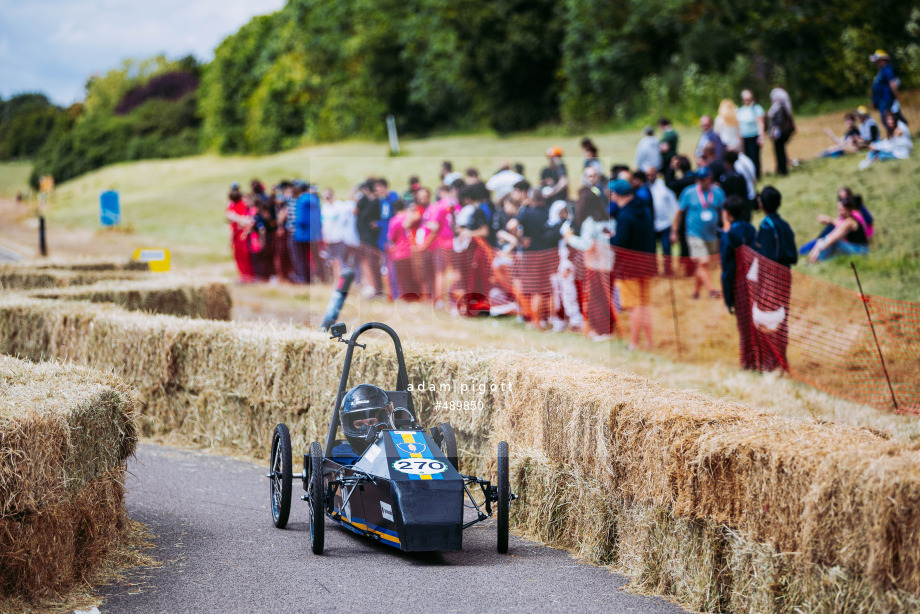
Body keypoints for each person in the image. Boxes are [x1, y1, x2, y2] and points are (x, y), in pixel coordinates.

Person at [749, 186, 797, 372]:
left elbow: (765, 258)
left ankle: (772, 363)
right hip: (786, 274)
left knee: (768, 319)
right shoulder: (784, 224)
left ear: (761, 204)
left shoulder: (766, 225)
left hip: (771, 277)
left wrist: (760, 284)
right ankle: (782, 361)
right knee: (782, 316)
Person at [563, 182, 615, 341]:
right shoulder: (608, 219)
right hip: (609, 264)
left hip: (596, 265)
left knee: (597, 298)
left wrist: (570, 238)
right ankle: (607, 329)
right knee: (606, 297)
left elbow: (586, 244)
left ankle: (602, 331)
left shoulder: (589, 222)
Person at [610, 179, 656, 351]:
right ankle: (649, 342)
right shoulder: (644, 209)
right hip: (647, 263)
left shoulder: (624, 216)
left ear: (617, 195)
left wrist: (611, 238)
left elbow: (620, 243)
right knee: (644, 304)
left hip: (629, 267)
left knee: (633, 305)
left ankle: (634, 343)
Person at [671, 167, 725, 299]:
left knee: (702, 265)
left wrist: (726, 224)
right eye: (698, 179)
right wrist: (674, 231)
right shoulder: (688, 192)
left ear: (710, 179)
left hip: (711, 234)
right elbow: (679, 213)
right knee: (703, 261)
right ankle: (712, 291)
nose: (700, 181)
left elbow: (723, 210)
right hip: (694, 233)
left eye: (703, 178)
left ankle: (695, 292)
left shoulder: (717, 192)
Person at [333, 384, 394, 462]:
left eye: (372, 423)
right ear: (350, 426)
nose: (368, 430)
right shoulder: (343, 453)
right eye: (359, 425)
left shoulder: (397, 442)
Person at [719, 195, 757, 317]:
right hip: (756, 282)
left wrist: (728, 299)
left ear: (727, 214)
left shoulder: (728, 236)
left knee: (745, 324)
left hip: (739, 286)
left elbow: (727, 270)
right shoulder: (751, 229)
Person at [803, 194, 869, 262]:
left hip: (860, 250)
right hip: (852, 247)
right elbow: (831, 235)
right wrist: (819, 243)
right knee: (825, 240)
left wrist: (818, 249)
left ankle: (816, 260)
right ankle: (817, 259)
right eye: (838, 209)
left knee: (835, 243)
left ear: (848, 210)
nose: (839, 211)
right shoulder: (845, 219)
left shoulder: (849, 222)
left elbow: (834, 237)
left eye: (841, 210)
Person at [647, 166, 678, 276]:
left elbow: (674, 207)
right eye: (647, 175)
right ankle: (654, 271)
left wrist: (675, 229)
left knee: (666, 249)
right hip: (652, 225)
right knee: (652, 250)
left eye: (651, 174)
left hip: (665, 224)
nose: (649, 177)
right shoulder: (645, 188)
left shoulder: (664, 188)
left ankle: (668, 271)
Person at [226, 182, 255, 283]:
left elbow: (246, 219)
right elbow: (230, 220)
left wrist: (236, 218)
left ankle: (248, 276)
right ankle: (242, 275)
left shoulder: (242, 204)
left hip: (242, 233)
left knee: (245, 254)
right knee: (237, 255)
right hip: (235, 233)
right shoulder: (231, 205)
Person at [737, 89, 766, 178]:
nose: (747, 101)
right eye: (745, 99)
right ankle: (749, 175)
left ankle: (757, 175)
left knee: (754, 157)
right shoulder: (741, 110)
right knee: (746, 157)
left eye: (748, 99)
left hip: (754, 136)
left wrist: (761, 136)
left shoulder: (756, 108)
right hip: (744, 137)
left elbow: (760, 123)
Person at [870, 50, 903, 124]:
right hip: (881, 101)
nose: (876, 63)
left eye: (877, 61)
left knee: (890, 120)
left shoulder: (887, 70)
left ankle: (901, 134)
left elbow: (892, 84)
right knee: (886, 120)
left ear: (882, 60)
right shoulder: (880, 71)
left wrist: (897, 96)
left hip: (886, 100)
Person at [768, 88, 795, 176]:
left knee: (780, 151)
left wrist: (774, 132)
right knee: (780, 151)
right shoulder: (783, 106)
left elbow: (778, 122)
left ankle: (782, 170)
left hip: (779, 134)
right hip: (781, 134)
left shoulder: (779, 107)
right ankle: (781, 168)